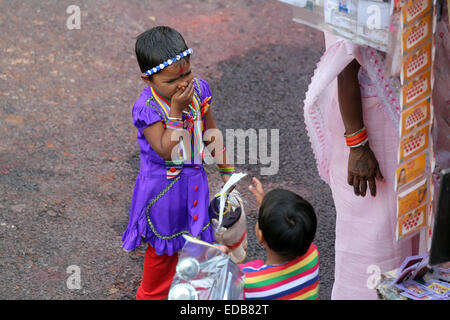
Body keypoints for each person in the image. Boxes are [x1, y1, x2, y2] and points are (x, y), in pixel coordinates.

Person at [303, 1, 449, 299]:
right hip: (372, 128)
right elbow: (347, 68)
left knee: (420, 219)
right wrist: (358, 146)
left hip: (416, 114)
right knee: (375, 234)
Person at [121, 26, 235, 300]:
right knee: (163, 251)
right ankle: (151, 295)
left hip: (194, 183)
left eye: (186, 74)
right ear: (148, 79)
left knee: (195, 244)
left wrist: (227, 171)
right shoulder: (147, 107)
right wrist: (175, 112)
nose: (183, 84)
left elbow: (210, 131)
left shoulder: (200, 91)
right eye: (172, 81)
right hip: (163, 191)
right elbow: (165, 149)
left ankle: (187, 294)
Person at [236, 177, 319, 300]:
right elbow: (293, 230)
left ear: (260, 236)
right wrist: (266, 206)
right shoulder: (312, 255)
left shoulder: (247, 281)